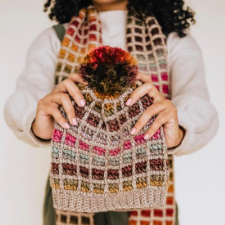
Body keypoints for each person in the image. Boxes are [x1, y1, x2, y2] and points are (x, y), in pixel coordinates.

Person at [4, 0, 219, 225]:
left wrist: (178, 128)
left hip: (146, 187)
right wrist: (38, 123)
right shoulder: (54, 38)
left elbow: (200, 111)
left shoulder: (173, 41)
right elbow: (22, 102)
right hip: (72, 188)